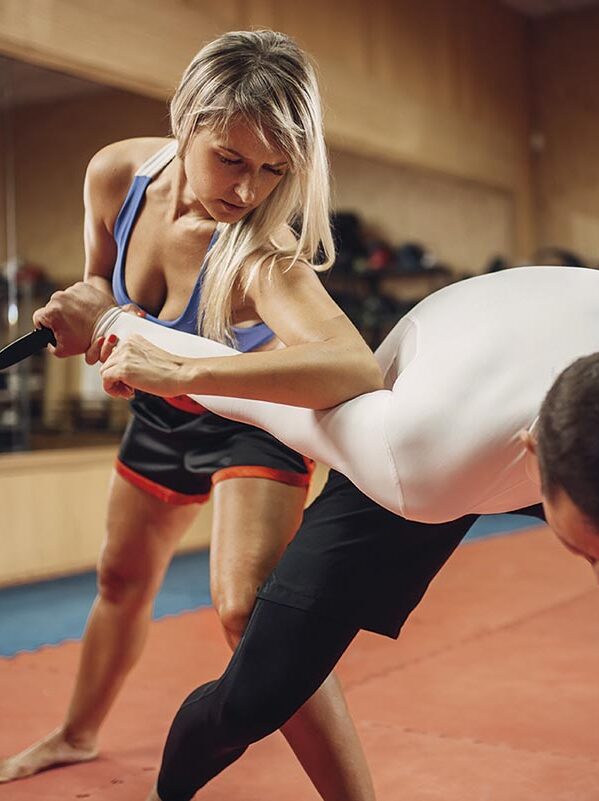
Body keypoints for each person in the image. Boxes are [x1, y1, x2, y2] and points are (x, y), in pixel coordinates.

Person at [38, 249, 599, 801]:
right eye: (594, 552)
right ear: (533, 462)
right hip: (436, 382)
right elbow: (278, 401)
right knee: (255, 697)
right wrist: (116, 326)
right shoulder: (419, 455)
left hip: (561, 372)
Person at [0, 30, 379, 801]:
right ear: (186, 120)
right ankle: (77, 731)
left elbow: (355, 365)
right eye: (232, 159)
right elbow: (102, 296)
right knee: (120, 575)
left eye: (275, 169)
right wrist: (87, 319)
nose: (248, 189)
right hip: (162, 416)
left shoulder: (262, 254)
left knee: (247, 609)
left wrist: (182, 365)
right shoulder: (114, 175)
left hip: (250, 417)